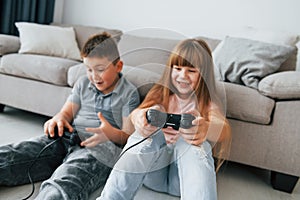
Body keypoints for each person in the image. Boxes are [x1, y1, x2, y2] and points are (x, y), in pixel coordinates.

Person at [0, 32, 140, 199]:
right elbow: (66, 112)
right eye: (89, 69)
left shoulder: (129, 93)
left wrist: (110, 133)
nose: (94, 76)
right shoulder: (83, 83)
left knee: (67, 179)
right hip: (68, 136)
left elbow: (127, 136)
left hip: (100, 147)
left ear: (118, 66)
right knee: (15, 154)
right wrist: (58, 119)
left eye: (100, 69)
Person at [98, 38, 231, 200]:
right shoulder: (162, 95)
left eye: (191, 70)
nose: (183, 75)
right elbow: (135, 116)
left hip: (182, 178)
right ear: (170, 69)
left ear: (204, 74)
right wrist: (140, 117)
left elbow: (222, 128)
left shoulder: (207, 104)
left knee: (194, 143)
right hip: (153, 171)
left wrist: (206, 128)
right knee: (146, 131)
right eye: (178, 68)